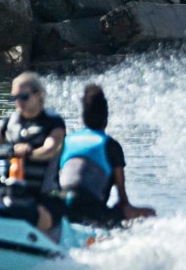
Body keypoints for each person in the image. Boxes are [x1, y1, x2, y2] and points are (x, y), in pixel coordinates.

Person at [59, 84, 156, 228]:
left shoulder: (67, 141)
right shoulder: (110, 145)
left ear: (83, 118)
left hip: (60, 207)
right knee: (149, 213)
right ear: (106, 120)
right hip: (91, 212)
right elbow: (122, 199)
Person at [0, 72, 66, 236]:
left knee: (34, 214)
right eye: (14, 98)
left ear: (38, 95)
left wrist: (28, 153)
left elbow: (50, 149)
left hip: (46, 198)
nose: (18, 102)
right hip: (12, 194)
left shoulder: (53, 123)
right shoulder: (8, 123)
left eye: (23, 96)